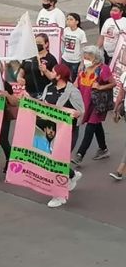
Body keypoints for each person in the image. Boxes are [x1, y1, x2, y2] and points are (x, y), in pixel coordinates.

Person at [42, 63, 86, 208]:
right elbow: (42, 106)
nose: (50, 73)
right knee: (50, 160)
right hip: (50, 131)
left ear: (59, 76)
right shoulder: (48, 88)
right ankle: (72, 175)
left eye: (53, 72)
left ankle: (59, 196)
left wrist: (76, 113)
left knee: (57, 162)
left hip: (68, 132)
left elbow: (81, 111)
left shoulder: (73, 91)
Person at [75, 45, 114, 165]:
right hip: (85, 103)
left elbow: (113, 83)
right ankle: (103, 149)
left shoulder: (103, 69)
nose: (85, 59)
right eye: (84, 56)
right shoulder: (82, 68)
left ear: (96, 58)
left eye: (88, 57)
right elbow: (76, 83)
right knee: (96, 126)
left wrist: (101, 86)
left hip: (98, 104)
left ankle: (80, 154)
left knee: (90, 126)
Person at [17, 33, 58, 99]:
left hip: (43, 94)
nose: (37, 45)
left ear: (46, 44)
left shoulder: (51, 59)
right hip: (28, 93)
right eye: (35, 42)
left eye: (39, 43)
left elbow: (54, 78)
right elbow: (22, 70)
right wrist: (19, 77)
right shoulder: (28, 56)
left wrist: (45, 71)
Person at [62, 13, 88, 81]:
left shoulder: (81, 33)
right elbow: (63, 43)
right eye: (67, 19)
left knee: (74, 79)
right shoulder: (65, 30)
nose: (68, 21)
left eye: (71, 19)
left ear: (77, 22)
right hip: (65, 58)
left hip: (75, 60)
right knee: (64, 77)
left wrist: (82, 63)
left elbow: (83, 48)